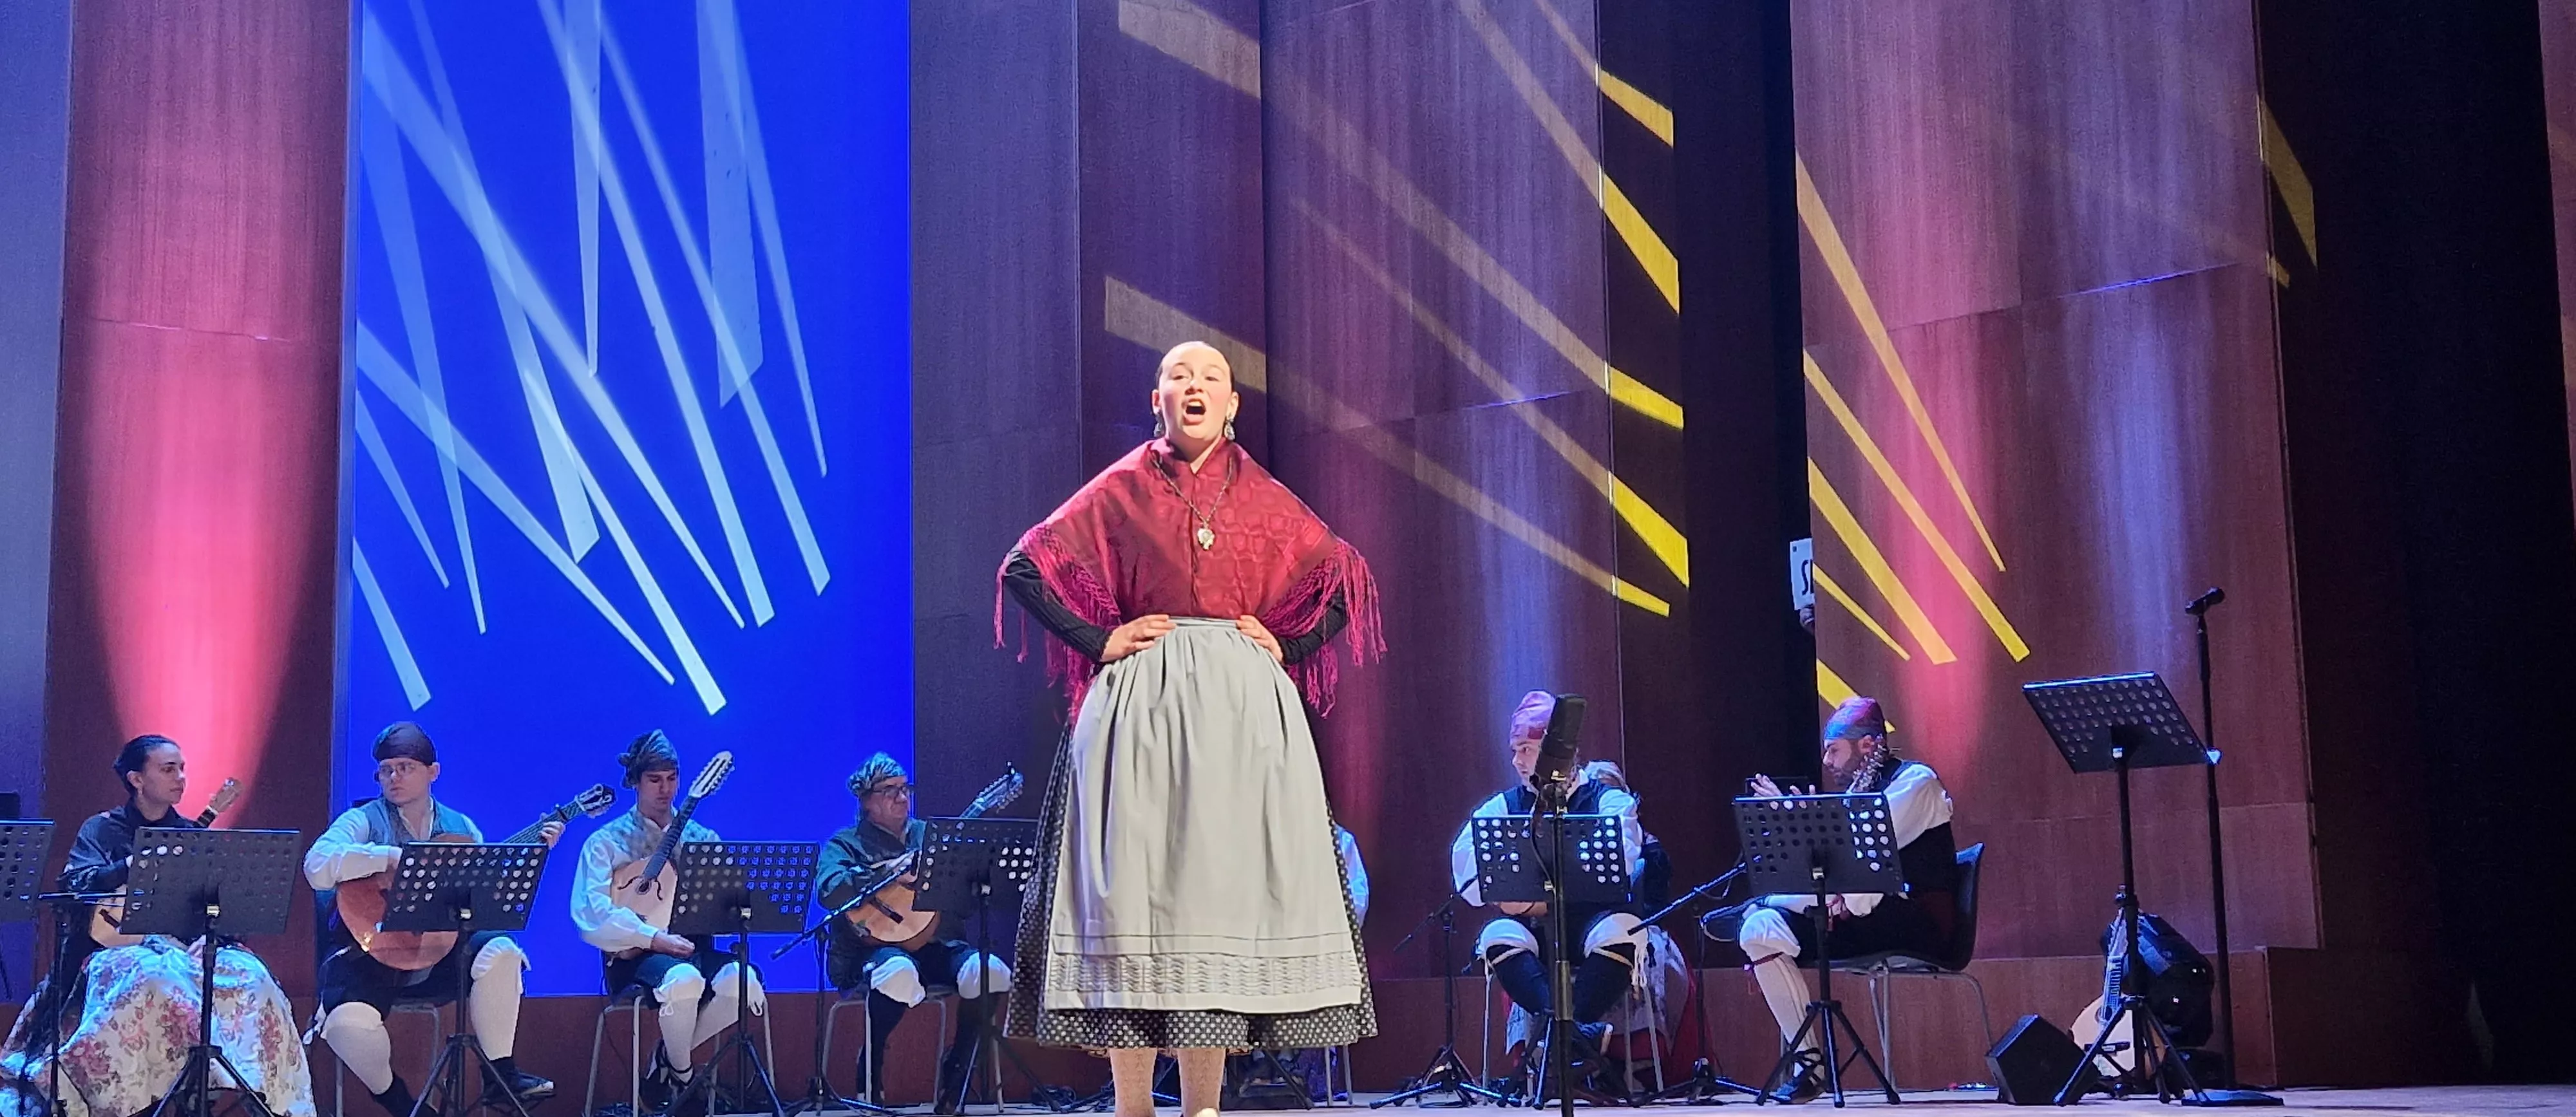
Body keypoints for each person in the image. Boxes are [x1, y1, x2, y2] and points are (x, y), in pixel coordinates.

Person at [998, 340, 1381, 1117]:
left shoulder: (1264, 495)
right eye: (1180, 377)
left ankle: (1202, 1107)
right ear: (1157, 399)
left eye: (1211, 378)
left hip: (1239, 717)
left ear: (1233, 403)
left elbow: (1344, 578)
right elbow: (1023, 567)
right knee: (1135, 899)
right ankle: (1132, 1105)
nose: (1195, 387)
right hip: (1141, 706)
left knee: (1217, 901)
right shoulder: (1120, 488)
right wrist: (1100, 640)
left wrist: (1292, 644)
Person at [0, 735, 315, 1117]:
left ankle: (237, 1084)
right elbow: (77, 884)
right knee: (153, 978)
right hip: (115, 948)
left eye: (182, 769)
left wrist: (211, 932)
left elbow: (208, 903)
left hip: (181, 948)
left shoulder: (188, 832)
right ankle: (132, 1095)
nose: (180, 778)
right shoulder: (102, 829)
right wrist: (132, 864)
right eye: (168, 769)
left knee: (253, 976)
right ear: (136, 779)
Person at [1702, 697, 1956, 1103]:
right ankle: (1810, 1065)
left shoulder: (1917, 782)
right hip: (1856, 919)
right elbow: (1832, 865)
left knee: (1810, 900)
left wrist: (1795, 816)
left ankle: (1771, 902)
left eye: (1833, 750)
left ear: (1869, 746)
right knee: (1757, 932)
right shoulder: (1851, 798)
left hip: (1913, 919)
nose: (1827, 762)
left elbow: (1865, 849)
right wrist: (1792, 821)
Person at [303, 722, 559, 1116]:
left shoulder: (460, 827)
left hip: (440, 955)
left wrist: (537, 852)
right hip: (373, 955)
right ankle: (401, 1103)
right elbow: (317, 867)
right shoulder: (364, 820)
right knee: (345, 1026)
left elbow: (485, 894)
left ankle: (500, 1074)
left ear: (432, 773)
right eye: (386, 770)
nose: (393, 778)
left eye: (405, 767)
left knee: (502, 951)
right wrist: (389, 857)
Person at [1448, 692, 1647, 1094]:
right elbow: (1467, 863)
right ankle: (1577, 1038)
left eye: (1527, 749)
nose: (1517, 761)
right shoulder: (1502, 807)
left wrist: (1542, 898)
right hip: (1535, 929)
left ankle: (1558, 1043)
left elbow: (1620, 864)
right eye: (1515, 750)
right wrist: (1511, 898)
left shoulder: (1608, 801)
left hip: (1591, 924)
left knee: (1623, 932)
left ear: (1559, 751)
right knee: (1495, 936)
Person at [571, 731, 766, 1116]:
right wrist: (652, 936)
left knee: (743, 984)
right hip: (635, 956)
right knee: (684, 982)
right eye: (654, 780)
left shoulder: (702, 838)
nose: (665, 789)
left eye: (672, 778)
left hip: (694, 947)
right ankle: (684, 1076)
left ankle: (667, 1060)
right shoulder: (606, 842)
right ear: (636, 782)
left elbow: (725, 905)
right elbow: (589, 913)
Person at [815, 754, 1012, 1112]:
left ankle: (958, 1074)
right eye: (890, 791)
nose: (902, 798)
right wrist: (887, 871)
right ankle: (871, 1069)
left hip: (937, 945)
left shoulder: (929, 837)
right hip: (873, 952)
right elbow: (829, 890)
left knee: (991, 972)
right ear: (867, 801)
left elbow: (962, 905)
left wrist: (958, 882)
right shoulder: (845, 844)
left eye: (905, 789)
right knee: (899, 974)